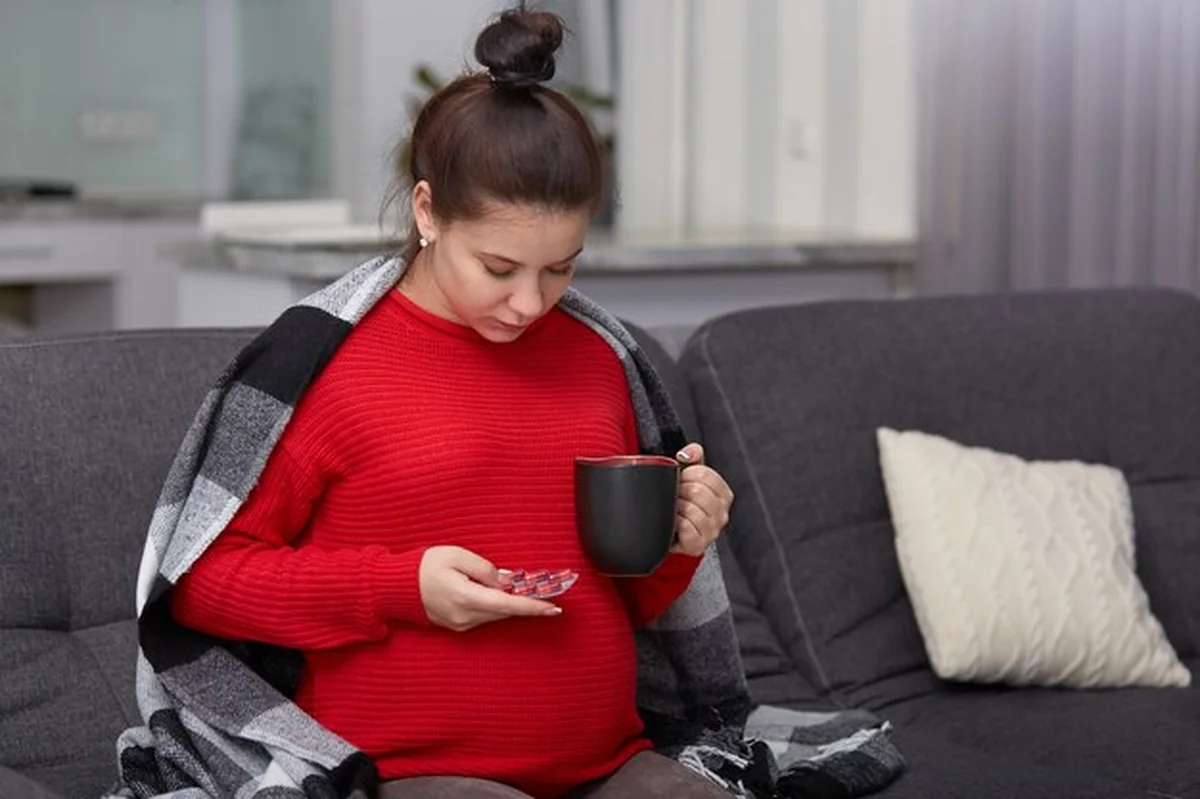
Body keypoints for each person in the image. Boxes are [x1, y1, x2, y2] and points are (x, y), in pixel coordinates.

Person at [169, 8, 735, 799]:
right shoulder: (326, 365)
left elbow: (629, 597)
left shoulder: (602, 358)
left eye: (560, 269)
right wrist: (403, 587)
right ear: (428, 212)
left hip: (610, 762)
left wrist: (679, 542)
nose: (530, 302)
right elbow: (202, 584)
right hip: (417, 772)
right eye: (499, 267)